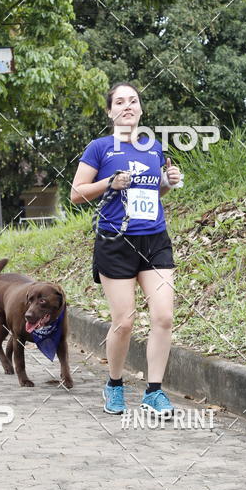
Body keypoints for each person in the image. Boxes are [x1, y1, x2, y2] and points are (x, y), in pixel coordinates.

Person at [70, 82, 181, 416]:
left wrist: (168, 182)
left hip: (154, 238)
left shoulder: (154, 148)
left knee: (163, 316)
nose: (127, 106)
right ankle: (115, 384)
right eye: (120, 102)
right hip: (115, 242)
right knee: (125, 322)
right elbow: (77, 193)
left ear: (141, 109)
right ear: (110, 112)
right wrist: (110, 182)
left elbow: (153, 193)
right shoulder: (99, 148)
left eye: (133, 101)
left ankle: (154, 391)